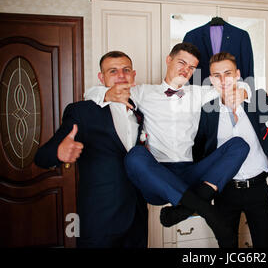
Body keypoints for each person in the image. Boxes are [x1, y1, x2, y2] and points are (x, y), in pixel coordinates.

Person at [84, 43, 251, 248]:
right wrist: (106, 95)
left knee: (240, 146)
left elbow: (235, 84)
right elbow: (92, 92)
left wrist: (243, 91)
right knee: (135, 155)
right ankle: (208, 211)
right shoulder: (143, 92)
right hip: (157, 177)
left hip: (189, 173)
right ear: (168, 60)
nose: (185, 70)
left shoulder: (198, 93)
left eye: (191, 67)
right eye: (181, 62)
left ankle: (186, 208)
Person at [187, 52, 268, 248]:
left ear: (237, 74)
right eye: (216, 75)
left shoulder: (260, 102)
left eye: (227, 73)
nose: (223, 80)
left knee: (263, 246)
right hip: (224, 191)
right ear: (211, 79)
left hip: (258, 190)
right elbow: (199, 150)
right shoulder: (206, 111)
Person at [34, 51, 148, 248]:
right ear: (101, 78)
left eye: (126, 70)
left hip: (137, 217)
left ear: (133, 75)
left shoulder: (140, 111)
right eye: (113, 71)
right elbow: (41, 157)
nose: (121, 75)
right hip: (99, 219)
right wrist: (59, 153)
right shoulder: (83, 111)